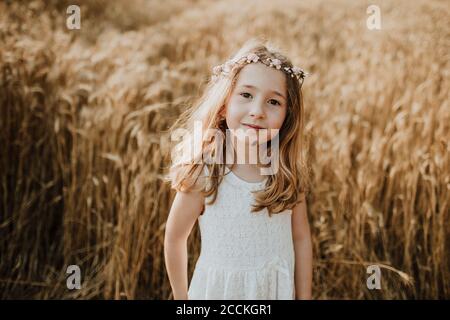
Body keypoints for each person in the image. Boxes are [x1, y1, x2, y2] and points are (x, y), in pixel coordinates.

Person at [164, 38, 312, 300]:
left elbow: (300, 238)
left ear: (288, 116)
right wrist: (182, 298)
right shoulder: (206, 172)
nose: (257, 111)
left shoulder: (286, 173)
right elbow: (175, 238)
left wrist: (304, 296)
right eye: (246, 95)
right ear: (224, 105)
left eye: (274, 102)